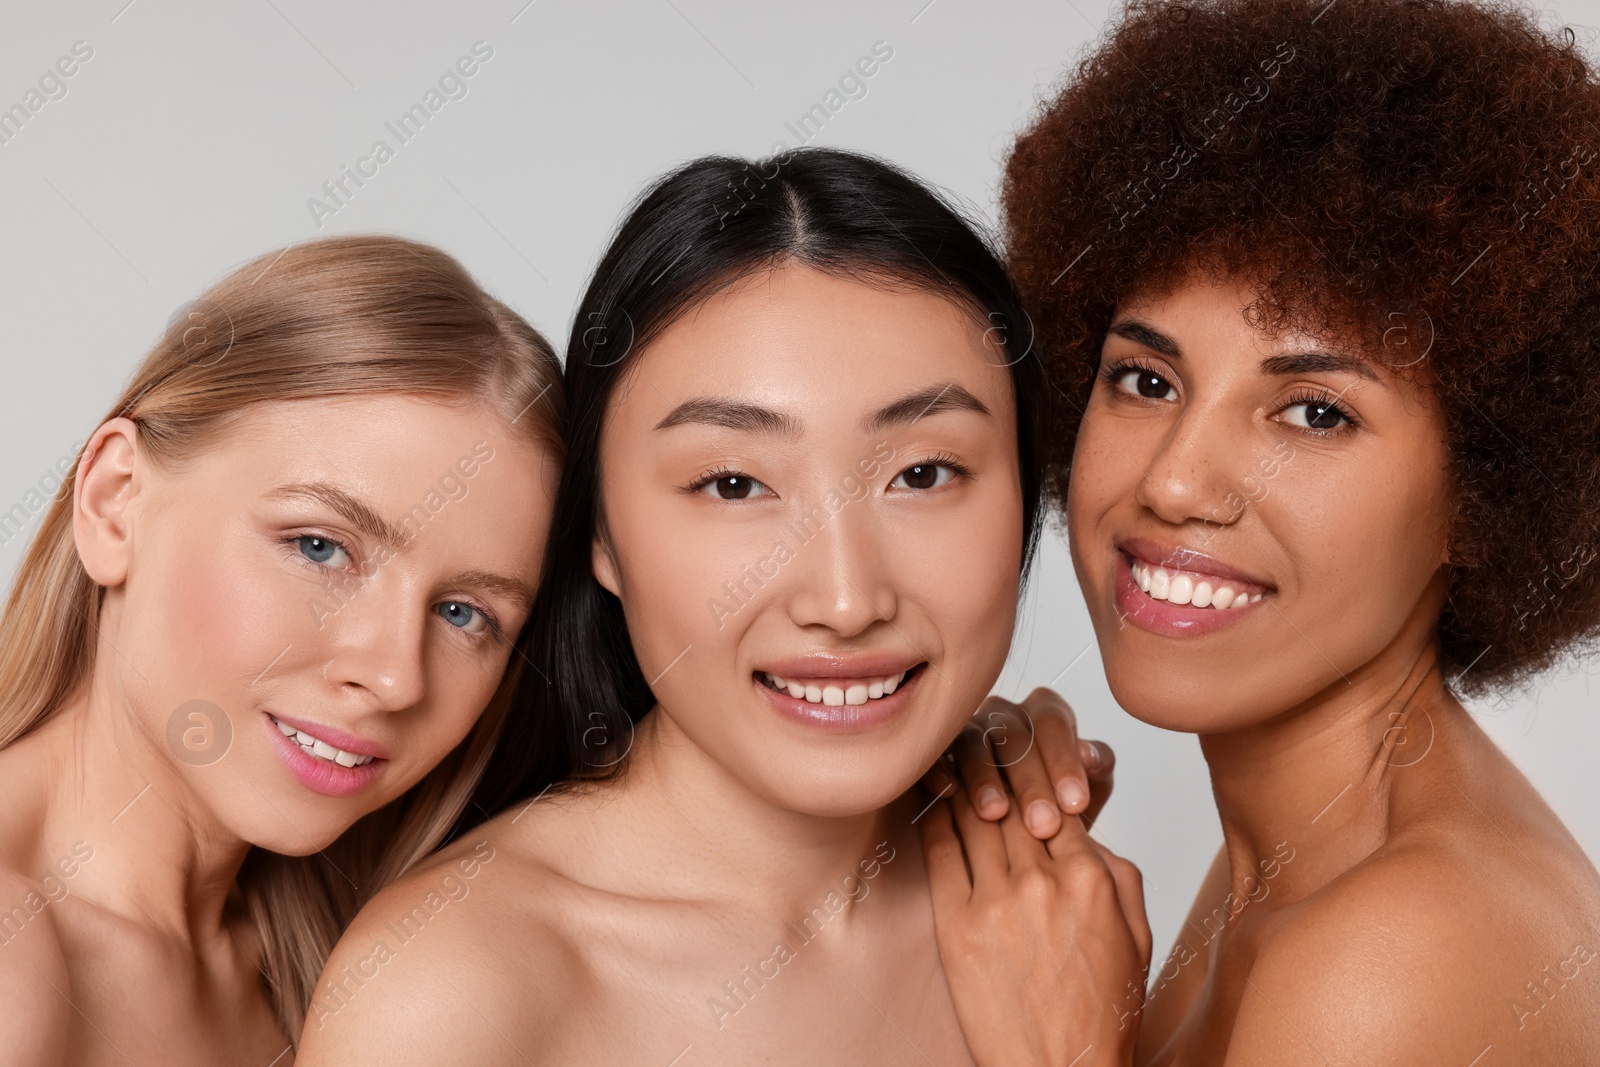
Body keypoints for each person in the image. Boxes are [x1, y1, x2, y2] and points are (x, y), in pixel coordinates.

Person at [297, 147, 1144, 1066]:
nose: (847, 598)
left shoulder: (1050, 913)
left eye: (924, 473)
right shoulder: (452, 990)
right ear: (601, 536)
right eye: (734, 483)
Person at [925, 0, 1600, 1061]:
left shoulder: (1388, 953)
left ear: (1485, 488)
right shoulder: (1293, 855)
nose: (1176, 478)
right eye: (1144, 379)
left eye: (1316, 411)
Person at [0, 234, 566, 1063]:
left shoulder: (339, 977)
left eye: (462, 612)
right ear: (116, 503)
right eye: (319, 547)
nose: (392, 675)